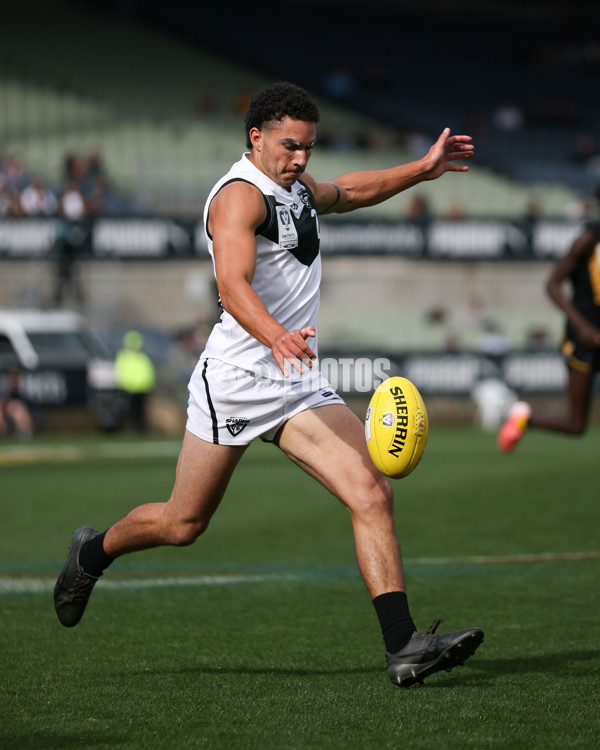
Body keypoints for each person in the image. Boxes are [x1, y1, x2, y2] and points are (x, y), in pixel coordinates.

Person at [54, 82, 484, 688]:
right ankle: (91, 555)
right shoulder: (238, 197)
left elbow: (349, 191)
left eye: (308, 147)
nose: (302, 159)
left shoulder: (295, 185)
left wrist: (421, 169)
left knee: (371, 493)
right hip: (236, 379)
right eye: (290, 146)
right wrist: (276, 333)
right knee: (183, 524)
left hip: (295, 379)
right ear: (256, 138)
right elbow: (232, 285)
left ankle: (403, 646)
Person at [498, 186, 600, 452]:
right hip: (584, 337)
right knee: (577, 426)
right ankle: (524, 420)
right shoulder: (589, 238)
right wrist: (583, 327)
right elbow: (552, 285)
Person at [114, 330, 156, 433]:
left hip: (142, 389)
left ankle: (140, 430)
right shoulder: (123, 356)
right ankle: (126, 430)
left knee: (140, 412)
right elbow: (119, 372)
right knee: (126, 412)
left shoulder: (142, 357)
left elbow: (148, 373)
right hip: (127, 388)